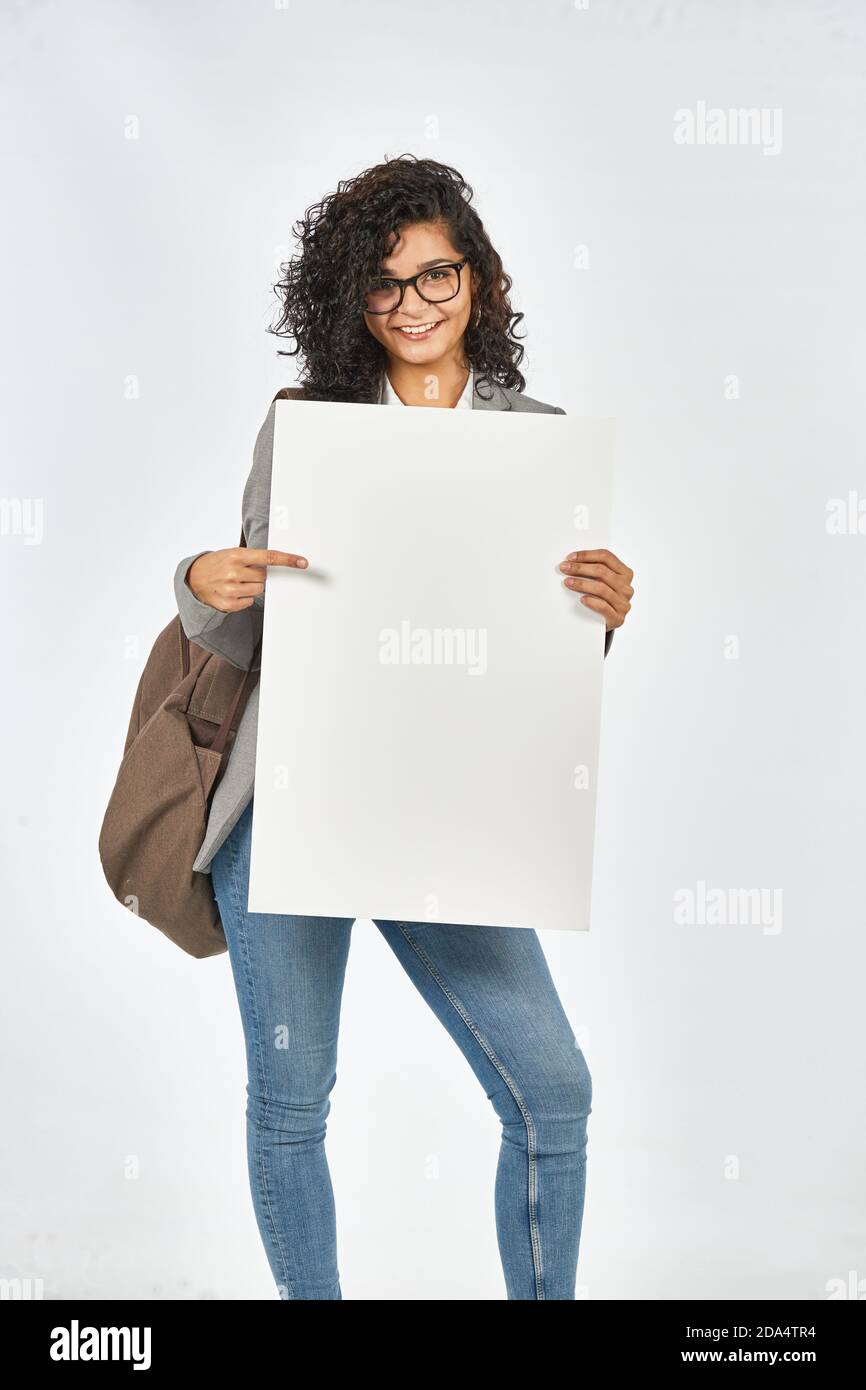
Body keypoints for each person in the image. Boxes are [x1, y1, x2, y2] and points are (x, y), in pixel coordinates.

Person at [174, 155, 634, 1300]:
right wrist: (201, 577)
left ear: (477, 277)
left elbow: (537, 664)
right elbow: (241, 639)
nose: (414, 305)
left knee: (551, 1090)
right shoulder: (306, 425)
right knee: (291, 1100)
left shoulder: (537, 435)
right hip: (290, 802)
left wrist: (602, 618)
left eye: (436, 274)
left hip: (449, 814)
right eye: (382, 286)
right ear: (349, 302)